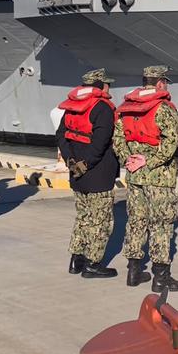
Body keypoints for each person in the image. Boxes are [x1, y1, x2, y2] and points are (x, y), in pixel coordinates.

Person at [113, 66, 178, 292]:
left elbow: (117, 140)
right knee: (161, 225)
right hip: (159, 178)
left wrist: (129, 160)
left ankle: (133, 272)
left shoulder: (126, 108)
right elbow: (172, 142)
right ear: (160, 83)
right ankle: (161, 278)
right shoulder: (163, 108)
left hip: (135, 176)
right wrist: (149, 161)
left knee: (136, 221)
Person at [57, 69, 120, 278]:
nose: (109, 88)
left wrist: (71, 162)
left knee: (82, 217)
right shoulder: (102, 108)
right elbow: (100, 143)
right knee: (100, 221)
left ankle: (76, 259)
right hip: (98, 175)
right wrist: (86, 164)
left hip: (77, 174)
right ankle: (93, 263)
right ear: (100, 85)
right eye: (107, 84)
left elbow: (61, 135)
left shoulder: (71, 106)